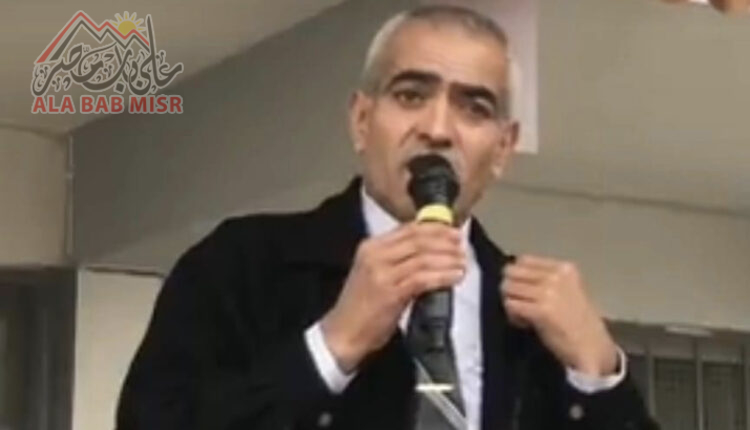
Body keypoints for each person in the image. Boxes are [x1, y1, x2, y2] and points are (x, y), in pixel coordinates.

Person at [116, 5, 658, 430]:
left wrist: (600, 375)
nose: (438, 130)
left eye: (474, 108)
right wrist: (331, 346)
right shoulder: (243, 265)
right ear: (361, 120)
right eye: (411, 95)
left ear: (502, 149)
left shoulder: (532, 321)